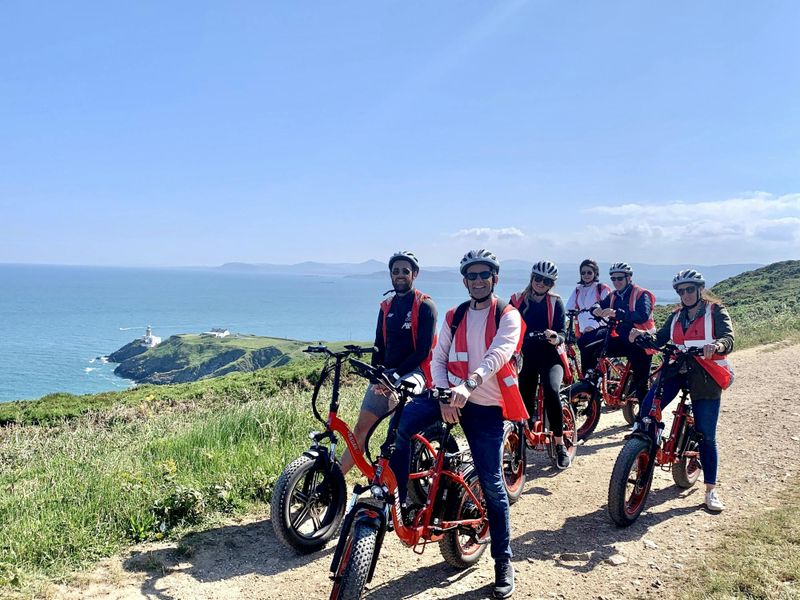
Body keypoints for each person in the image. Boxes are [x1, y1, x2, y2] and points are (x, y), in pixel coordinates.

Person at [389, 249, 526, 599]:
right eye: (472, 276)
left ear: (494, 278)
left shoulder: (508, 316)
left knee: (494, 486)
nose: (478, 281)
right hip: (450, 398)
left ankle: (502, 561)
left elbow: (497, 355)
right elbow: (438, 357)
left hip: (485, 406)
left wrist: (466, 388)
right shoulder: (454, 315)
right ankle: (404, 501)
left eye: (484, 275)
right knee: (401, 428)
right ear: (464, 281)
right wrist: (442, 393)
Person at [631, 269, 734, 512]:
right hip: (676, 370)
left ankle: (710, 490)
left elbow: (729, 337)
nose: (686, 294)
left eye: (690, 289)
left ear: (699, 289)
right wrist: (643, 336)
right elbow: (659, 339)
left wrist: (717, 344)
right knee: (648, 408)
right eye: (681, 291)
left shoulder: (714, 311)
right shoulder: (677, 316)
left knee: (706, 434)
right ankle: (644, 449)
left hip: (706, 375)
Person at [339, 251, 437, 475]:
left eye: (405, 271)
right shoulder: (386, 306)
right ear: (390, 275)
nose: (400, 275)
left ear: (415, 274)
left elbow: (423, 350)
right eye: (396, 271)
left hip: (415, 372)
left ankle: (396, 479)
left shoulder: (425, 306)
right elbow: (379, 345)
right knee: (360, 431)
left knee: (399, 427)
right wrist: (376, 375)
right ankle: (333, 483)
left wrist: (395, 376)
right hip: (388, 375)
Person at [510, 260, 572, 469]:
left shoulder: (555, 302)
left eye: (546, 281)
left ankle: (560, 443)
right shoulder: (517, 300)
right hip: (526, 357)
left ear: (551, 284)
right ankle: (522, 439)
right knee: (521, 397)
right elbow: (505, 326)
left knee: (552, 390)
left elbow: (563, 333)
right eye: (538, 278)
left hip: (550, 356)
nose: (540, 283)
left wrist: (556, 337)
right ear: (531, 278)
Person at [580, 262, 656, 404]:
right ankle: (590, 381)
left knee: (641, 384)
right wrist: (595, 309)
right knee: (589, 344)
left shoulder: (641, 294)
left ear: (629, 278)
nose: (616, 282)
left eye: (620, 278)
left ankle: (645, 420)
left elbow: (643, 315)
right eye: (613, 279)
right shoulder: (614, 295)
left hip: (641, 341)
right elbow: (599, 304)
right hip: (621, 338)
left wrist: (617, 313)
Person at [566, 258, 611, 339]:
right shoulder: (578, 290)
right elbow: (569, 308)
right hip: (582, 330)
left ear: (595, 273)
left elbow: (607, 311)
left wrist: (594, 326)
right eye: (583, 273)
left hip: (599, 329)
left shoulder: (602, 288)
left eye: (589, 272)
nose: (586, 275)